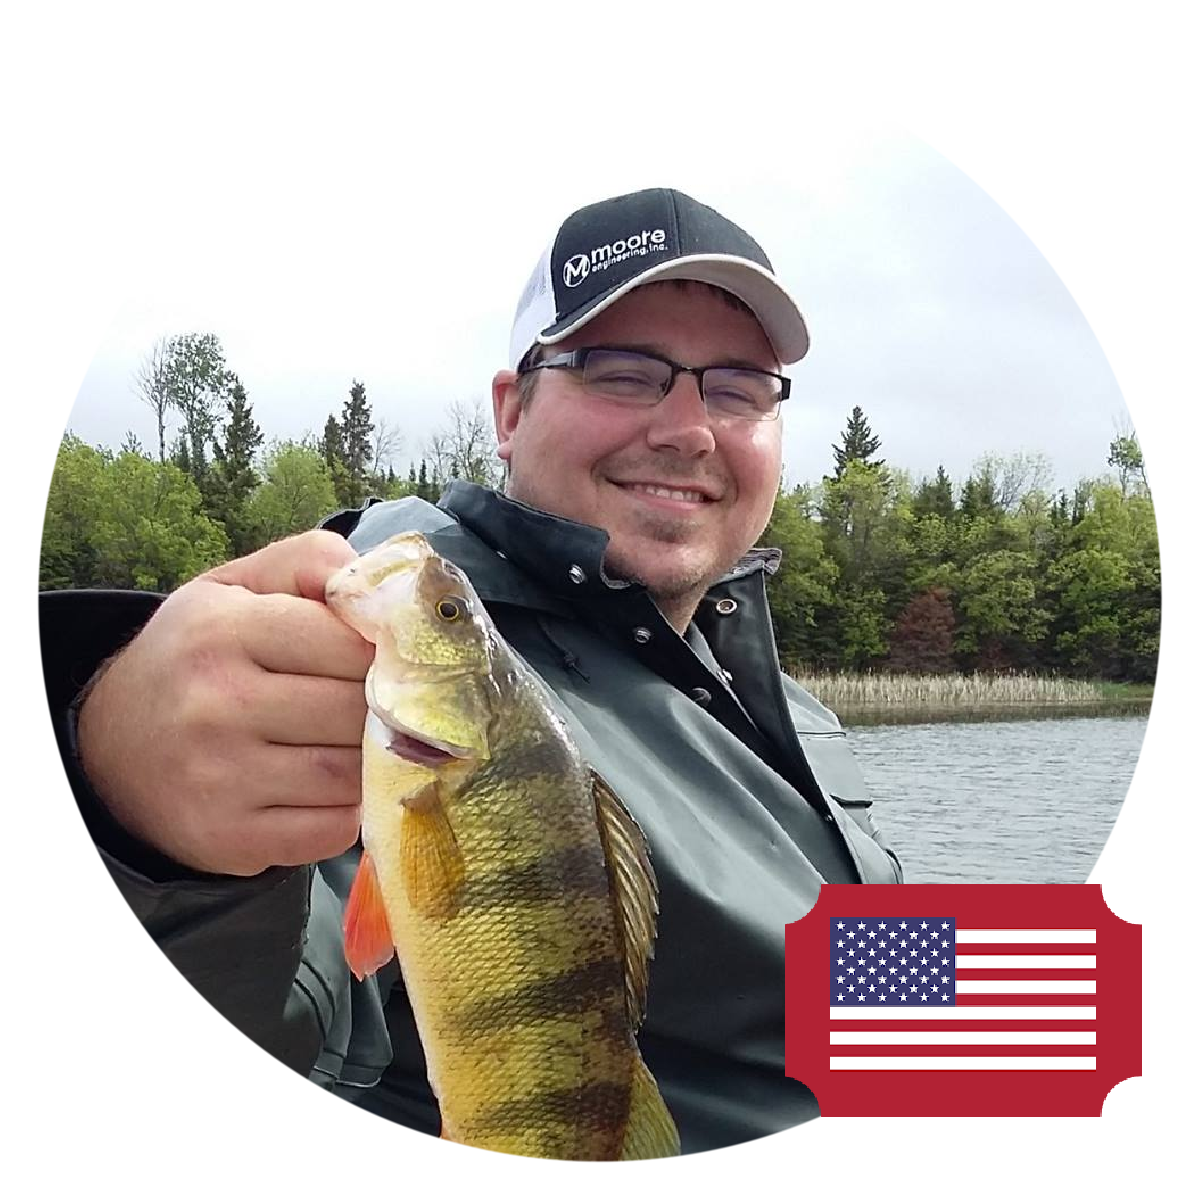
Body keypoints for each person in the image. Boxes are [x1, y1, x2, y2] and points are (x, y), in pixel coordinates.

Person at [37, 187, 904, 1163]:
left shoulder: (781, 705)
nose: (689, 428)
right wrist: (120, 803)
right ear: (510, 410)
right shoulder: (369, 654)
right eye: (624, 373)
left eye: (738, 388)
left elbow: (871, 1020)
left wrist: (1042, 1037)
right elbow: (246, 1028)